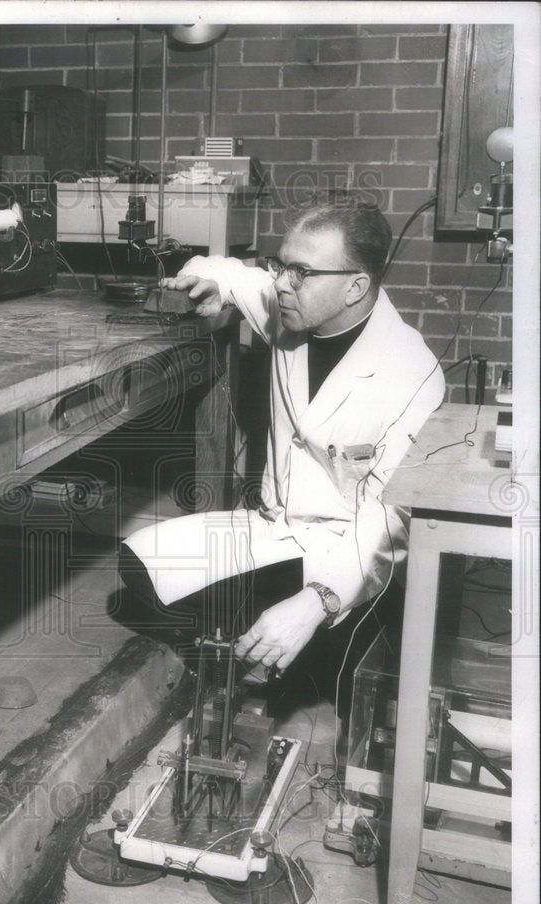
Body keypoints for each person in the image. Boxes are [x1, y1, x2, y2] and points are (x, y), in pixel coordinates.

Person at [118, 194, 446, 718]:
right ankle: (263, 645)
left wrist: (316, 600)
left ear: (355, 286)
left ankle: (313, 638)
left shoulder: (412, 373)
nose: (279, 282)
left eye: (299, 272)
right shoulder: (290, 302)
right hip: (273, 527)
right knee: (138, 565)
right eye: (279, 265)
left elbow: (393, 517)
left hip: (349, 548)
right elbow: (222, 270)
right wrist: (209, 284)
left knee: (337, 673)